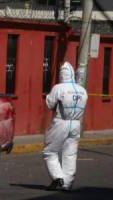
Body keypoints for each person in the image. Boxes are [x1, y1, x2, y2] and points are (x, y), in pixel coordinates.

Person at [43, 62, 88, 191]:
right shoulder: (83, 90)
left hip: (61, 121)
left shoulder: (58, 88)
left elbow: (50, 104)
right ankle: (67, 184)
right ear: (72, 73)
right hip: (76, 123)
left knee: (50, 151)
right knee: (70, 154)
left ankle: (57, 177)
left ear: (61, 75)